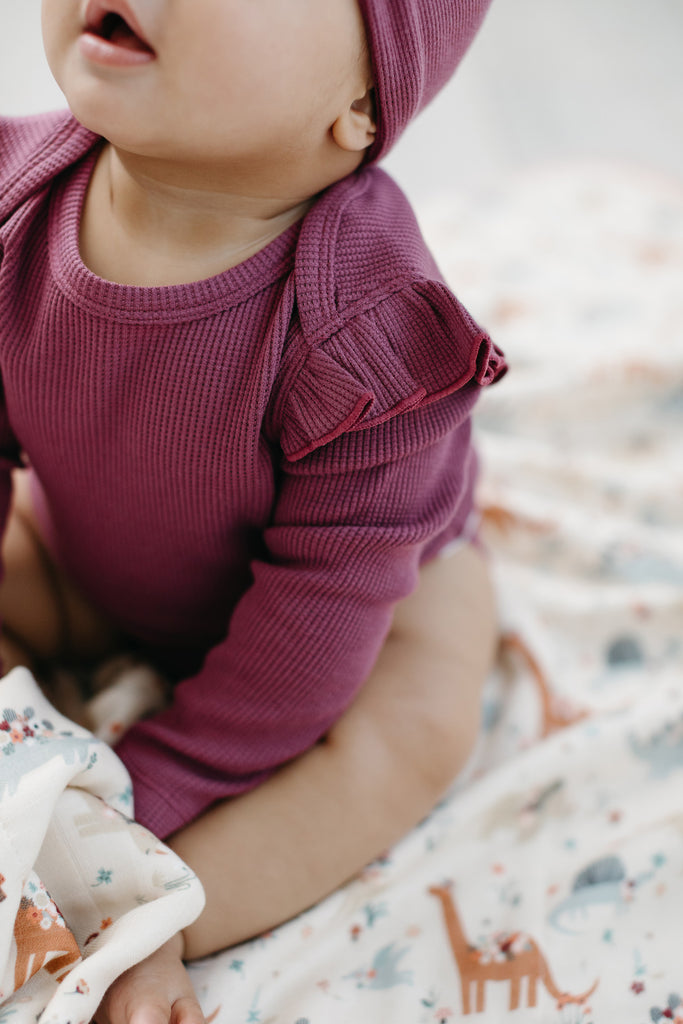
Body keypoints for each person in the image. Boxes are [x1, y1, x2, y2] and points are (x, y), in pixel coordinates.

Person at [0, 0, 506, 1020]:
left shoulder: (371, 329)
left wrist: (144, 805)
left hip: (362, 613)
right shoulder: (18, 202)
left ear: (361, 107)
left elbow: (314, 625)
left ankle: (162, 919)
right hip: (91, 549)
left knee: (415, 731)